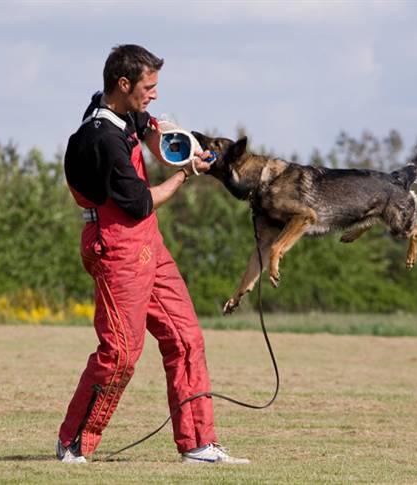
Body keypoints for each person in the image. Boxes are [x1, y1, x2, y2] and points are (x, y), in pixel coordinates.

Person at [57, 44, 249, 465]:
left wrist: (179, 142)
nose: (155, 93)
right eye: (149, 86)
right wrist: (186, 173)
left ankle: (198, 444)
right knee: (122, 353)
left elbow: (150, 134)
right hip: (117, 243)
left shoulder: (119, 110)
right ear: (123, 84)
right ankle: (75, 442)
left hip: (147, 243)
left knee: (185, 338)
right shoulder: (102, 137)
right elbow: (143, 201)